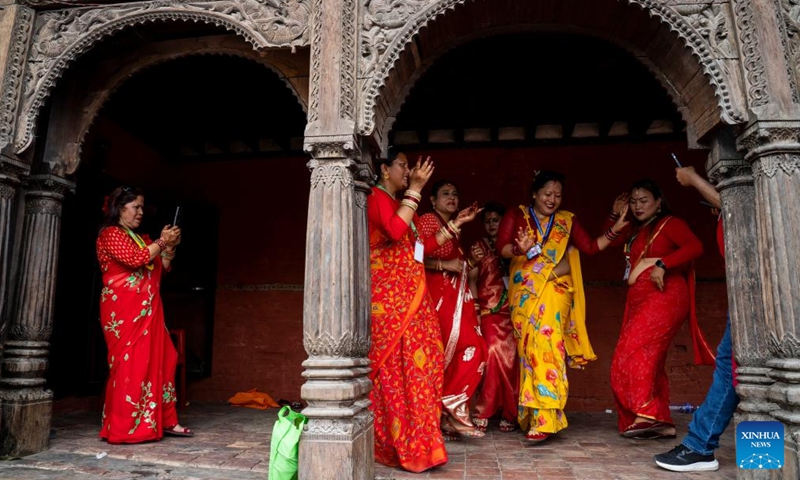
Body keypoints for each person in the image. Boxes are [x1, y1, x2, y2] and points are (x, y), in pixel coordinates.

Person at [496, 170, 625, 443]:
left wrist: (615, 222)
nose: (552, 199)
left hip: (555, 292)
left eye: (557, 195)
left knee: (548, 349)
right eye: (547, 194)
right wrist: (520, 250)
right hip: (523, 294)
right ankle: (532, 415)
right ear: (534, 193)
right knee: (528, 353)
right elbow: (501, 248)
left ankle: (547, 419)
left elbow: (590, 247)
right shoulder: (516, 214)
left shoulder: (567, 221)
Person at [368, 150, 474, 471]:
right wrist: (415, 189)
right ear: (384, 170)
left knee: (423, 368)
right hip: (390, 304)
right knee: (397, 373)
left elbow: (419, 249)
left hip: (414, 300)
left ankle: (423, 443)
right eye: (402, 164)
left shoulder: (408, 209)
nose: (409, 169)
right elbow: (394, 232)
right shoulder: (374, 197)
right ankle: (399, 445)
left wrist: (455, 224)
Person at [608, 179, 715, 440]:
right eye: (633, 201)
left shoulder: (671, 223)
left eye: (643, 200)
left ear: (658, 202)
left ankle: (647, 413)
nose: (637, 206)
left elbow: (695, 247)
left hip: (664, 296)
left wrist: (663, 264)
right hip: (639, 302)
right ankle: (662, 422)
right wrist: (615, 215)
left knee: (635, 353)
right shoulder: (635, 230)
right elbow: (608, 242)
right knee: (643, 359)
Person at [654, 166, 736, 472]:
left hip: (763, 300)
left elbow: (738, 202)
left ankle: (701, 446)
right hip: (747, 299)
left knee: (743, 374)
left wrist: (693, 181)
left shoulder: (748, 194)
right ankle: (702, 445)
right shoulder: (726, 212)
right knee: (739, 373)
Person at [96, 186, 190, 444]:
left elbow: (161, 267)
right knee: (131, 364)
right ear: (119, 208)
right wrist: (161, 242)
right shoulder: (111, 234)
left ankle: (165, 420)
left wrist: (169, 248)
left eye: (141, 207)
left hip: (148, 312)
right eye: (135, 206)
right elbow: (135, 259)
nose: (140, 212)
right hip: (125, 313)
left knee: (164, 359)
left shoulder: (139, 237)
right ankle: (126, 428)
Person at [417, 180, 486, 440]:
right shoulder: (426, 221)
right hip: (435, 300)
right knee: (470, 348)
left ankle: (447, 415)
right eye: (445, 193)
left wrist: (470, 261)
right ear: (432, 201)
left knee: (470, 350)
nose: (452, 197)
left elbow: (456, 266)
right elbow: (415, 254)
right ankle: (453, 410)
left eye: (455, 193)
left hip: (454, 300)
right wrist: (444, 264)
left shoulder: (455, 230)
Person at [468, 202, 519, 433]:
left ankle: (511, 411)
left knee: (512, 361)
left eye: (495, 220)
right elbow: (471, 280)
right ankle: (484, 409)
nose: (491, 224)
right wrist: (476, 309)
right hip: (489, 312)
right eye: (487, 221)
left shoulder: (513, 246)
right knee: (491, 354)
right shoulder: (478, 247)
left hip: (514, 312)